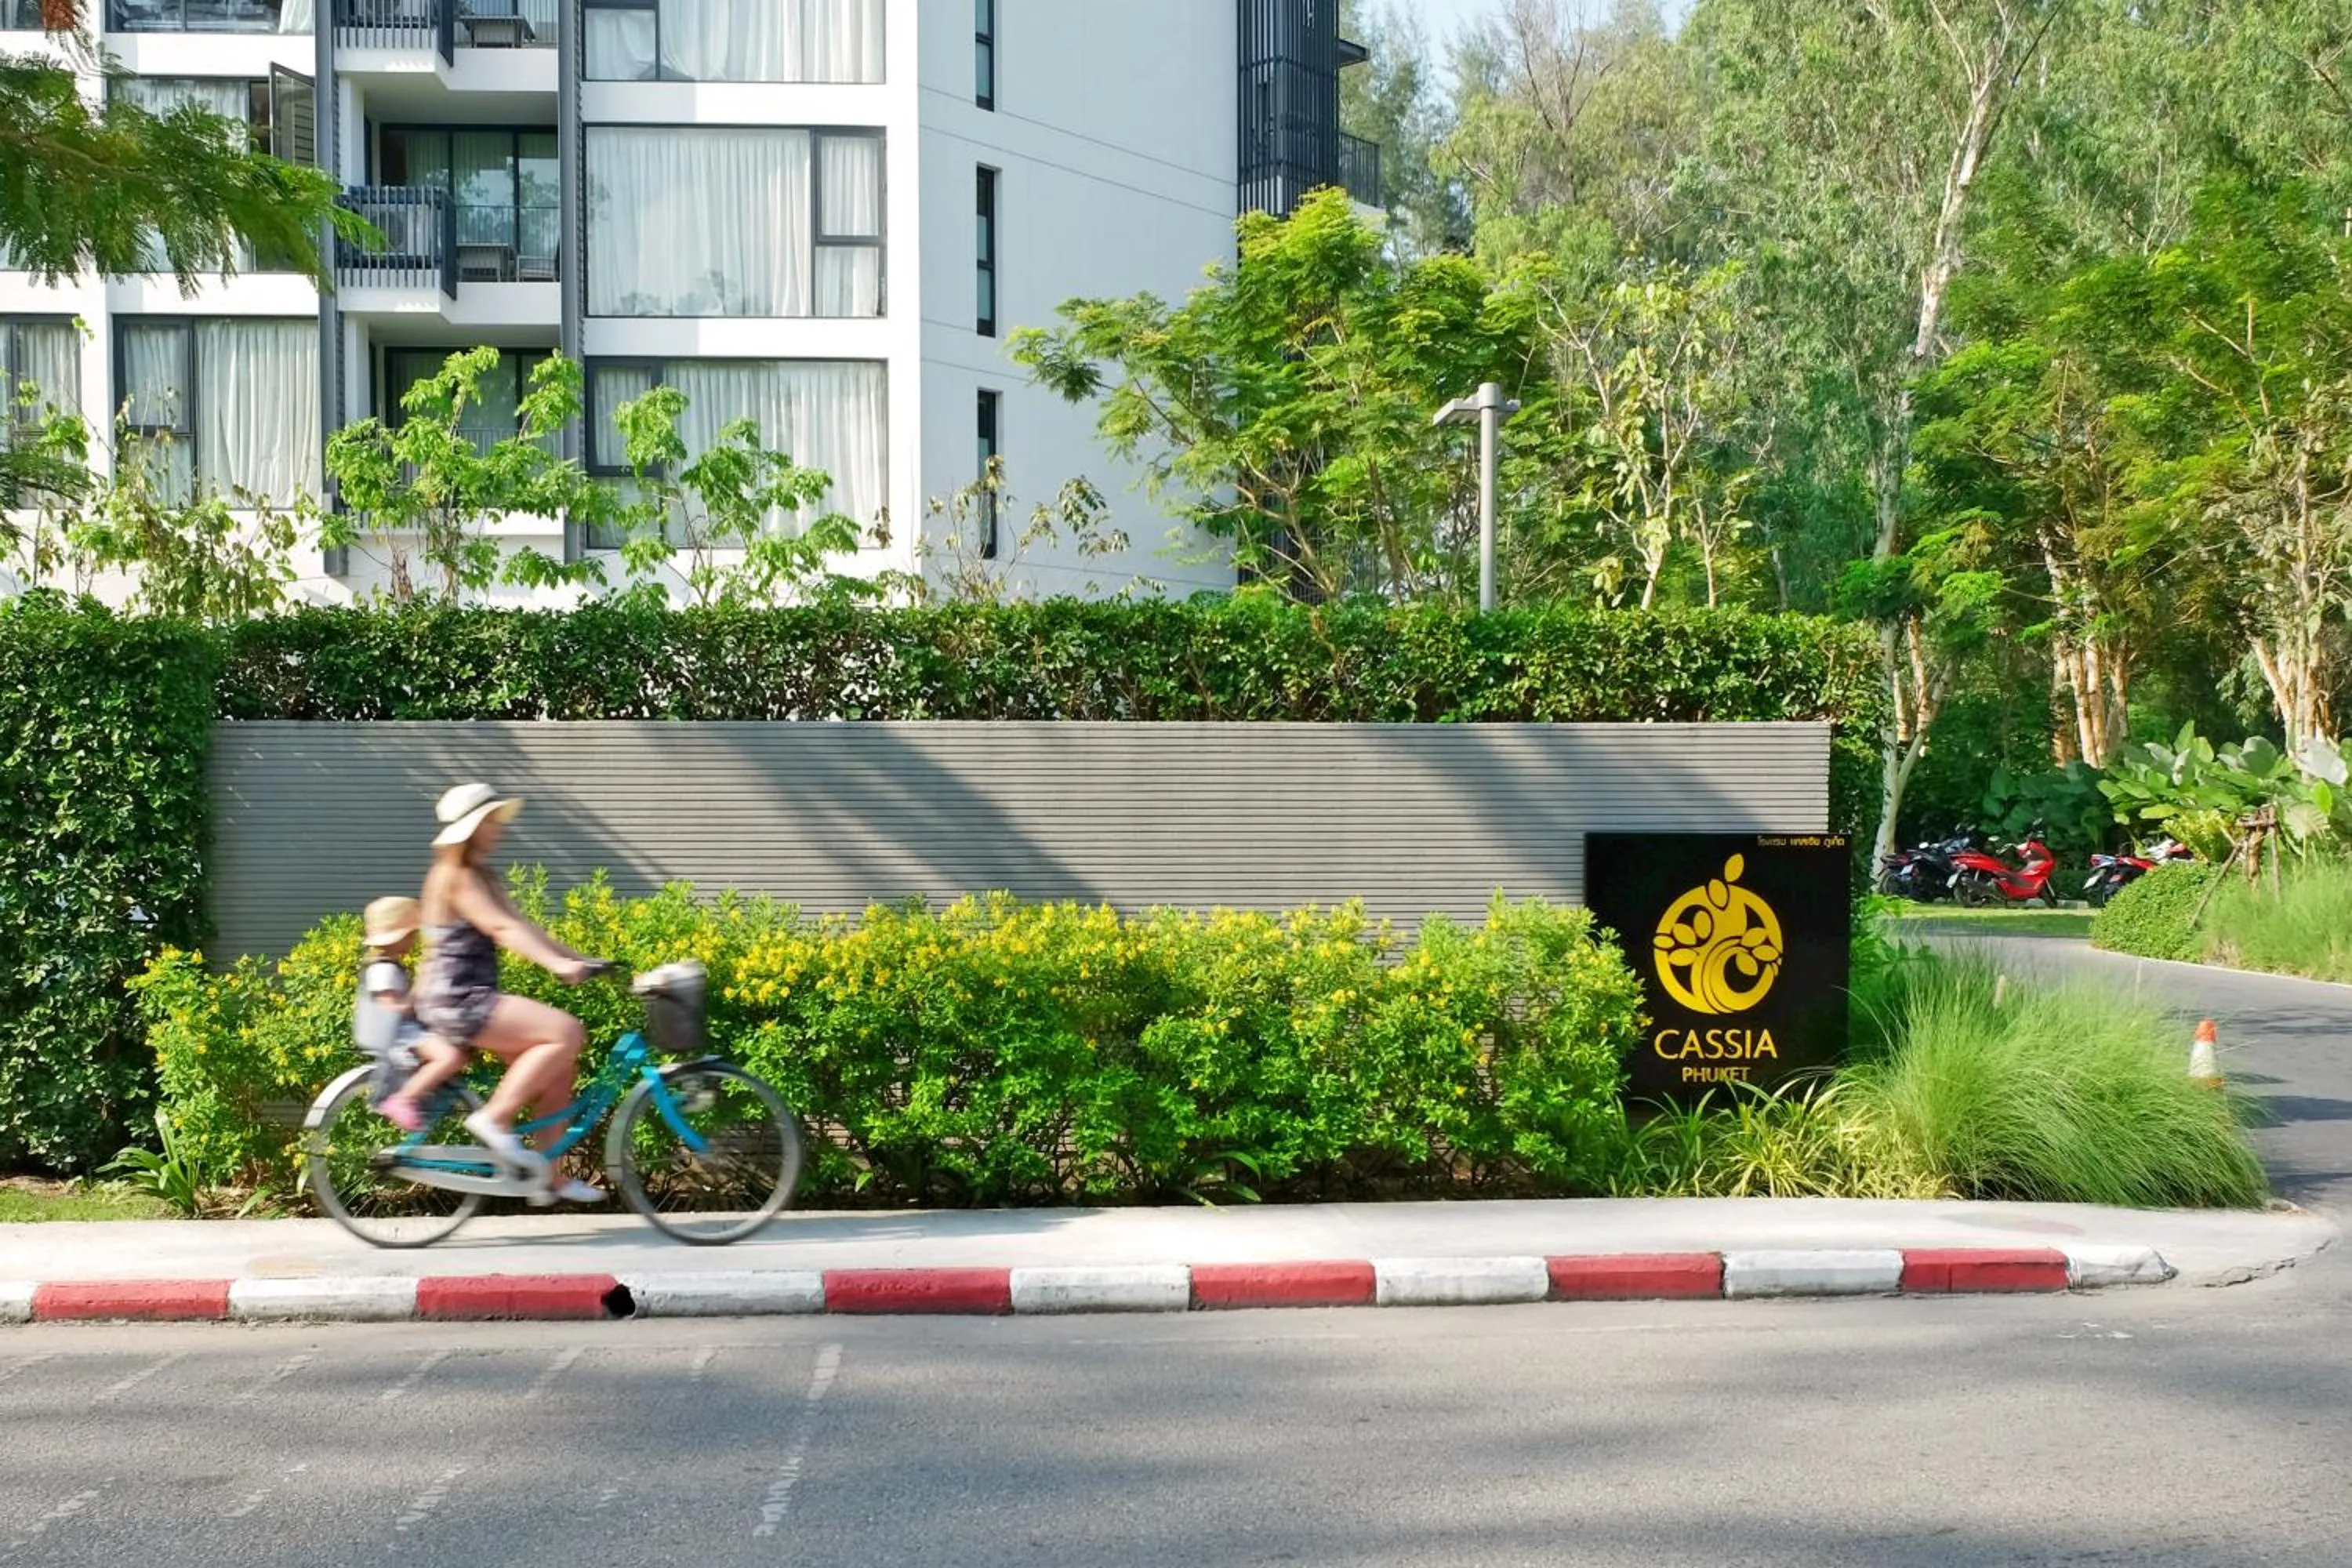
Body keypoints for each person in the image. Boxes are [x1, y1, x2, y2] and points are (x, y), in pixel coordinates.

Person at [412, 782, 606, 1206]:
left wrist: (578, 958)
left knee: (559, 1072)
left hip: (466, 997)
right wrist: (556, 966)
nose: (500, 827)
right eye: (493, 820)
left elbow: (521, 925)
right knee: (565, 1032)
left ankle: (548, 1180)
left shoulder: (480, 873)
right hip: (456, 1000)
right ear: (474, 826)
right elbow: (501, 930)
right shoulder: (456, 876)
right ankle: (494, 1120)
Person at [357, 895, 470, 1133]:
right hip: (402, 1036)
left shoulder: (389, 965)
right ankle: (404, 1099)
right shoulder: (382, 970)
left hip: (409, 1031)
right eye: (411, 935)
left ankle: (430, 1095)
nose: (413, 940)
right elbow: (392, 1009)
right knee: (450, 1057)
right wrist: (419, 989)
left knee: (462, 1049)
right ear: (399, 938)